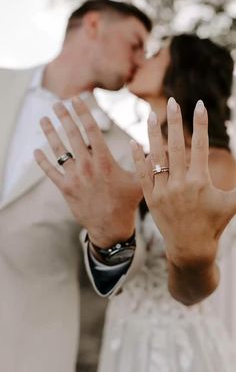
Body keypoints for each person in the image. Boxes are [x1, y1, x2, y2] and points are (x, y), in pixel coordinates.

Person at [35, 34, 236, 372]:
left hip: (181, 350)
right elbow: (120, 271)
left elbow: (197, 287)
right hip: (123, 338)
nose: (141, 60)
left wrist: (190, 256)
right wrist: (106, 233)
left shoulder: (217, 168)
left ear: (184, 71)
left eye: (157, 53)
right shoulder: (135, 160)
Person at [0, 0, 152, 372]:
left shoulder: (119, 149)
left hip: (29, 345)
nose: (140, 61)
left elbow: (127, 273)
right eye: (135, 44)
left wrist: (112, 237)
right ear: (94, 25)